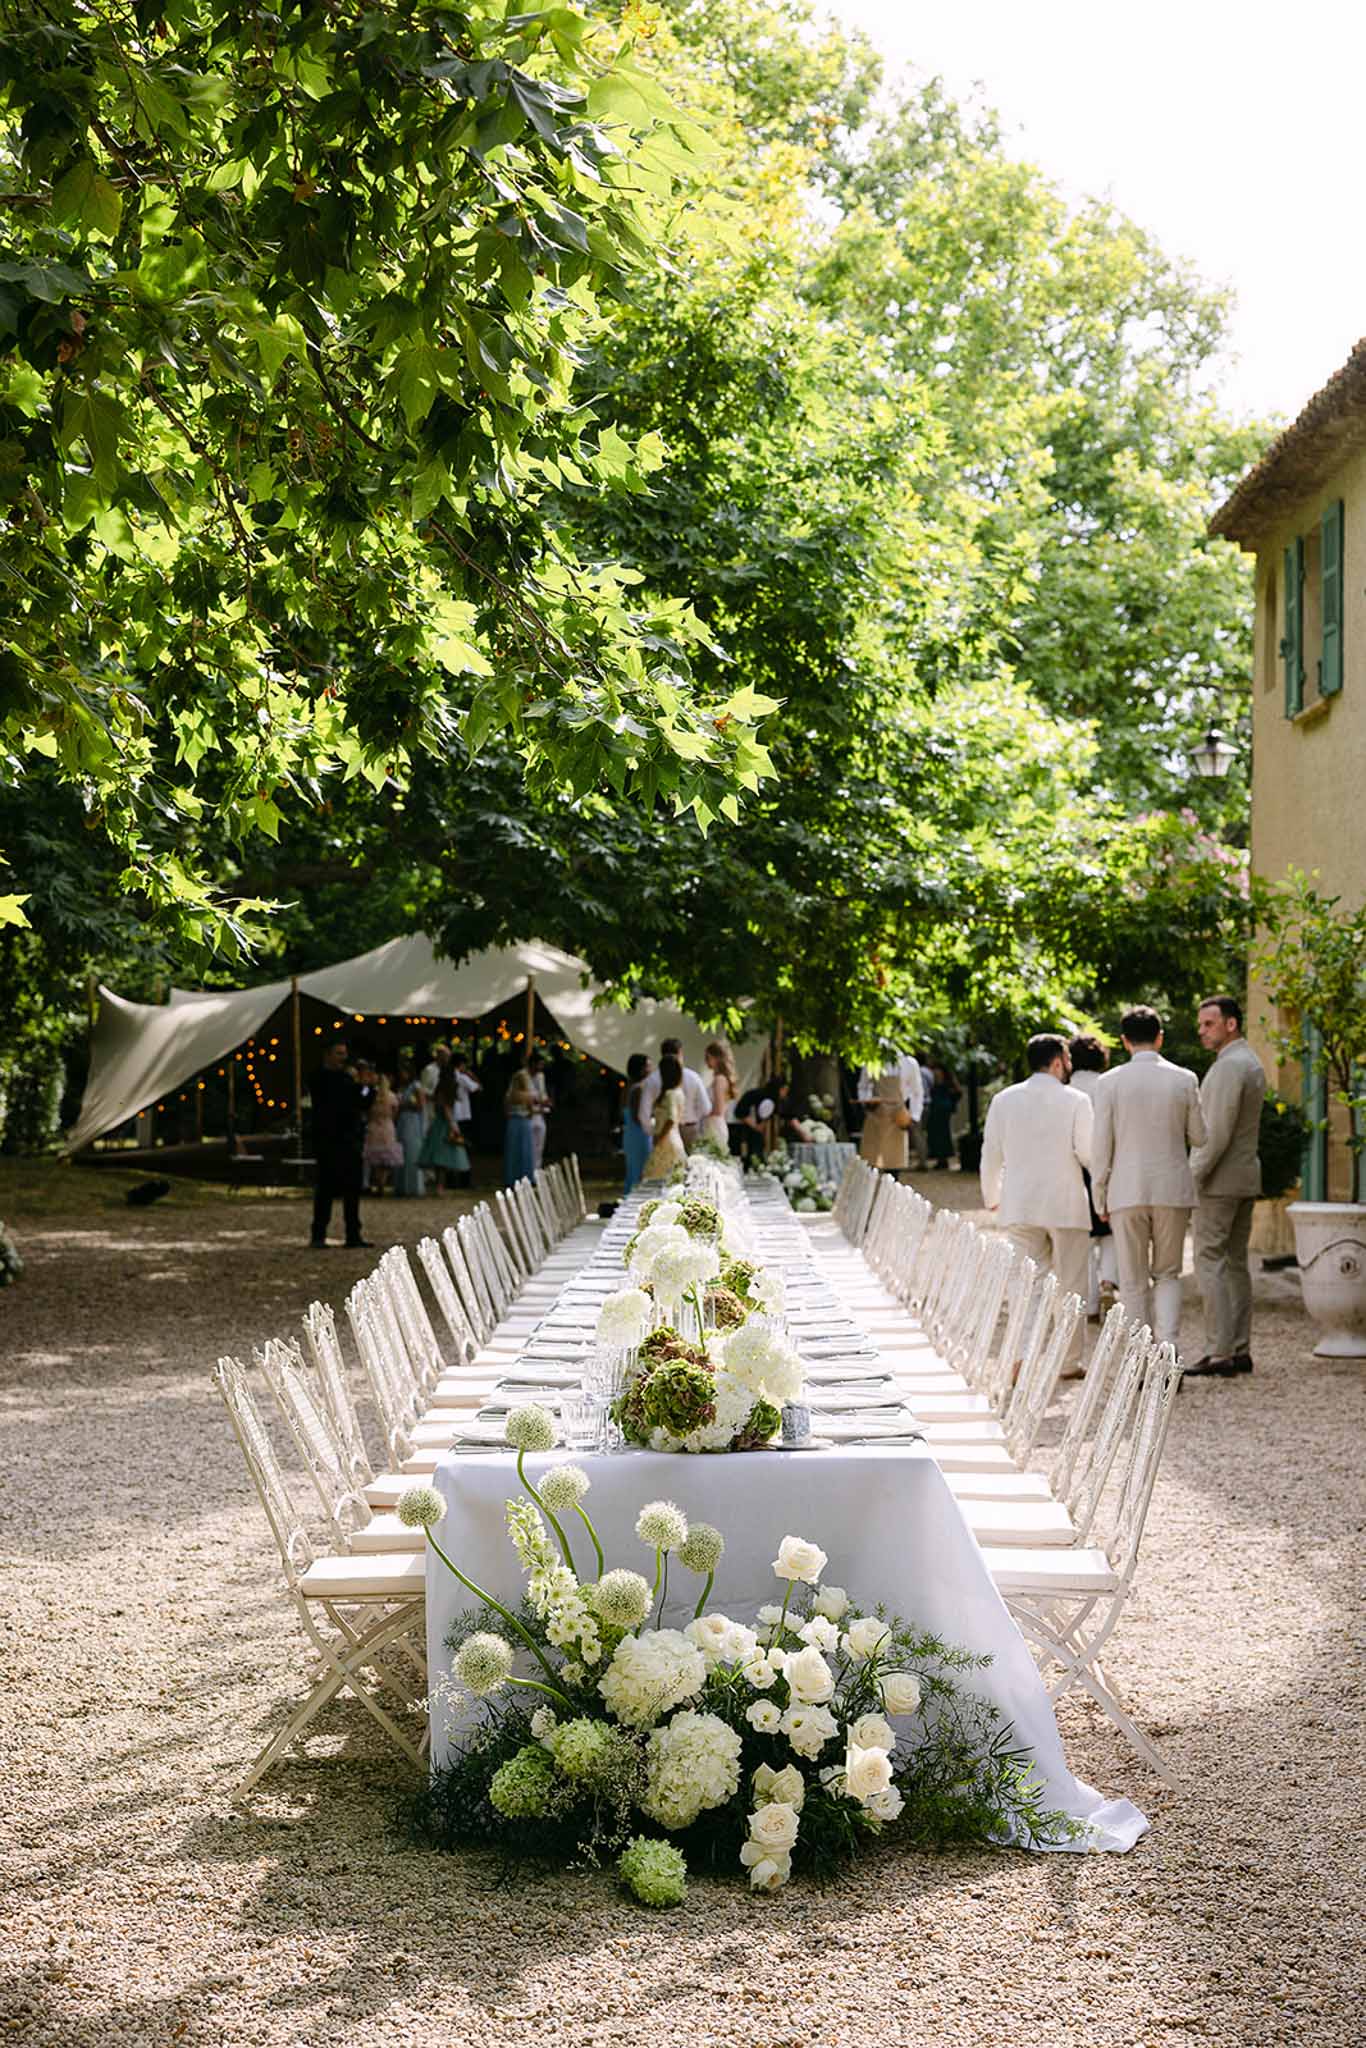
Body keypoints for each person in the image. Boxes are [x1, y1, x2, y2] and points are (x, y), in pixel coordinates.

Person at [1090, 1006, 1207, 1353]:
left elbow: (1100, 1148)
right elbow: (1200, 1136)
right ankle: (1168, 1349)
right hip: (1172, 1187)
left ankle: (1139, 1357)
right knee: (1168, 1273)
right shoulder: (1184, 1079)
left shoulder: (1108, 1083)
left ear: (1124, 1041)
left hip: (1125, 1190)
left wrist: (1099, 1197)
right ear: (1160, 1037)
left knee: (1132, 1279)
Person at [980, 1033, 1093, 1371]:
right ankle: (1068, 1361)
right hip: (1066, 1202)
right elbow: (1089, 1155)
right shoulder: (1076, 1100)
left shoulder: (1004, 1099)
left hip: (1020, 1203)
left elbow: (991, 1154)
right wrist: (1101, 1195)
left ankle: (1021, 1356)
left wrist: (992, 1197)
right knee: (1071, 1284)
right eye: (1068, 1060)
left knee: (1026, 1284)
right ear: (1057, 1062)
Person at [1187, 994, 1267, 1378]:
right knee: (1235, 1263)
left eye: (1209, 1024)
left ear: (1230, 1024)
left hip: (1219, 1182)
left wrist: (1192, 1177)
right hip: (1245, 1177)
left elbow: (1213, 1135)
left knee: (1210, 1261)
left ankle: (1219, 1351)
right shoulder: (1249, 1062)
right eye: (1201, 1024)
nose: (1202, 1030)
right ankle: (1239, 1348)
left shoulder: (1228, 1068)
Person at [1068, 1034, 1120, 1317]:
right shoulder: (1109, 1086)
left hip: (1076, 1168)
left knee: (1084, 1239)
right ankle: (1108, 1280)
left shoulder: (1067, 1089)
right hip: (1108, 1164)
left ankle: (1088, 1304)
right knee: (1110, 1232)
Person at [309, 1039, 371, 1249]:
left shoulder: (348, 1078)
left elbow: (363, 1102)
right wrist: (356, 1086)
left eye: (344, 1053)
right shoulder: (319, 1077)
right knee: (325, 1189)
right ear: (327, 1055)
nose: (343, 1058)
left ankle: (353, 1234)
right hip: (327, 1141)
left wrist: (364, 1086)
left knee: (352, 1189)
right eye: (338, 1053)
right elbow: (340, 1100)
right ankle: (318, 1234)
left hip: (350, 1141)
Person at [857, 1052, 924, 1176]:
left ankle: (892, 1191)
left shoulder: (909, 1063)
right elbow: (863, 1086)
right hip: (876, 1115)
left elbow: (917, 1092)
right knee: (870, 1161)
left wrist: (914, 1117)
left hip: (898, 1116)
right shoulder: (871, 1060)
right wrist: (866, 1102)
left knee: (894, 1161)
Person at [638, 1036, 711, 1151]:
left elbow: (644, 1114)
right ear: (680, 1053)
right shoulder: (693, 1077)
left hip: (663, 1131)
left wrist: (654, 1131)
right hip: (690, 1129)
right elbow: (706, 1108)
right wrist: (692, 1118)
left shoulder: (651, 1080)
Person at [418, 1069, 470, 1193]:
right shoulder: (445, 1092)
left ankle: (440, 1185)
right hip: (445, 1125)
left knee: (439, 1157)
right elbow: (447, 1110)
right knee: (443, 1157)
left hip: (438, 1124)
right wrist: (453, 1126)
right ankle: (440, 1185)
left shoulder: (440, 1091)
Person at [644, 1052, 688, 1179]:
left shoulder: (671, 1094)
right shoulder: (678, 1092)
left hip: (666, 1140)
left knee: (655, 1177)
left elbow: (671, 1119)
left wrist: (659, 1137)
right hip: (672, 1138)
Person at [363, 1068, 405, 1196]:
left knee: (375, 1158)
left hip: (373, 1126)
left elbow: (365, 1110)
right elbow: (396, 1112)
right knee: (385, 1158)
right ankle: (382, 1182)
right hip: (387, 1126)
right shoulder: (392, 1096)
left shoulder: (371, 1096)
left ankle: (377, 1183)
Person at [393, 1060, 426, 1197]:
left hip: (412, 1122)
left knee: (411, 1152)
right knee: (401, 1152)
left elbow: (420, 1105)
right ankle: (401, 1186)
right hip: (402, 1121)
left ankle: (413, 1187)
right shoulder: (402, 1087)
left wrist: (404, 1105)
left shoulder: (416, 1086)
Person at [503, 1058, 537, 1187]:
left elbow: (505, 1109)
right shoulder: (527, 1095)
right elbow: (530, 1110)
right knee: (525, 1151)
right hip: (524, 1122)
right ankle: (526, 1177)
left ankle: (512, 1178)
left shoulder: (510, 1094)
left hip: (513, 1122)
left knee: (513, 1152)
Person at [622, 1053, 653, 1194]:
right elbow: (638, 1116)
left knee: (633, 1171)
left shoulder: (628, 1086)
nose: (651, 1069)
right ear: (641, 1069)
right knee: (640, 1171)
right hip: (639, 1135)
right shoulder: (639, 1088)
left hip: (630, 1134)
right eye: (648, 1065)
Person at [702, 1041, 739, 1147]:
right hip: (716, 1125)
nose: (706, 1061)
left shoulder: (719, 1079)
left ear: (716, 1058)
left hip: (714, 1127)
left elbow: (718, 1109)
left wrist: (703, 1115)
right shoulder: (720, 1078)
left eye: (708, 1057)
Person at [452, 1052, 481, 1185]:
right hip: (463, 1115)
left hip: (453, 1115)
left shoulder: (448, 1076)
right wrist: (471, 1075)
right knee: (464, 1148)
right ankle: (464, 1179)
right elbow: (478, 1087)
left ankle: (452, 1179)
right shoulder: (462, 1078)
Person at [926, 1064, 961, 1169]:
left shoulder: (941, 1083)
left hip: (939, 1108)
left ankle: (942, 1159)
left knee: (940, 1134)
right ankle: (942, 1159)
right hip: (943, 1108)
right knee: (942, 1134)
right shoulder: (948, 1082)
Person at [526, 1050, 551, 1171]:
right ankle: (528, 1171)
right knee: (528, 1145)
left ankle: (536, 1170)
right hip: (528, 1114)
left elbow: (543, 1093)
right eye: (539, 1064)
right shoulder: (523, 1076)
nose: (541, 1067)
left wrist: (546, 1102)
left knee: (539, 1145)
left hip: (540, 1113)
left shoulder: (541, 1077)